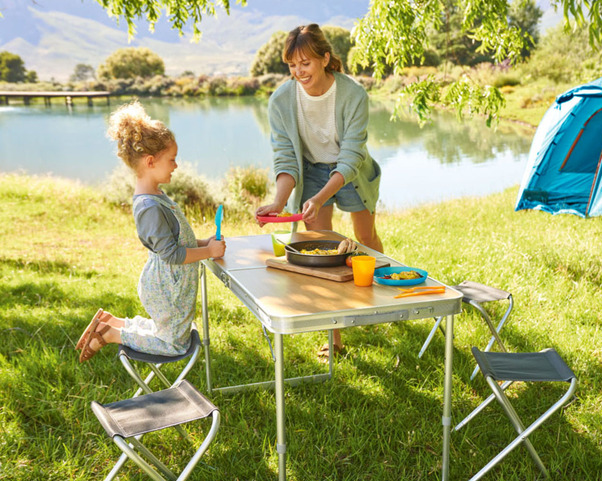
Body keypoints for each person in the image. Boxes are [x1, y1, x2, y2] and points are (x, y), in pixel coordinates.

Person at [255, 23, 383, 357]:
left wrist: (322, 196)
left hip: (350, 172)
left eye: (306, 63)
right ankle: (335, 337)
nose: (299, 71)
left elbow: (352, 156)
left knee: (365, 241)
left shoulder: (353, 94)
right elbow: (285, 157)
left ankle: (381, 304)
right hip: (311, 169)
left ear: (325, 58)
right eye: (292, 65)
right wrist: (279, 202)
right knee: (323, 253)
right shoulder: (282, 100)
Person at [76, 101, 226, 363]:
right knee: (174, 344)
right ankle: (111, 334)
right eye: (172, 160)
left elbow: (176, 240)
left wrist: (205, 242)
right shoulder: (149, 206)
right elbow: (171, 254)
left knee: (164, 332)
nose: (176, 166)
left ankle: (112, 322)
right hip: (167, 287)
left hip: (170, 284)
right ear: (150, 161)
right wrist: (208, 252)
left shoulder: (156, 194)